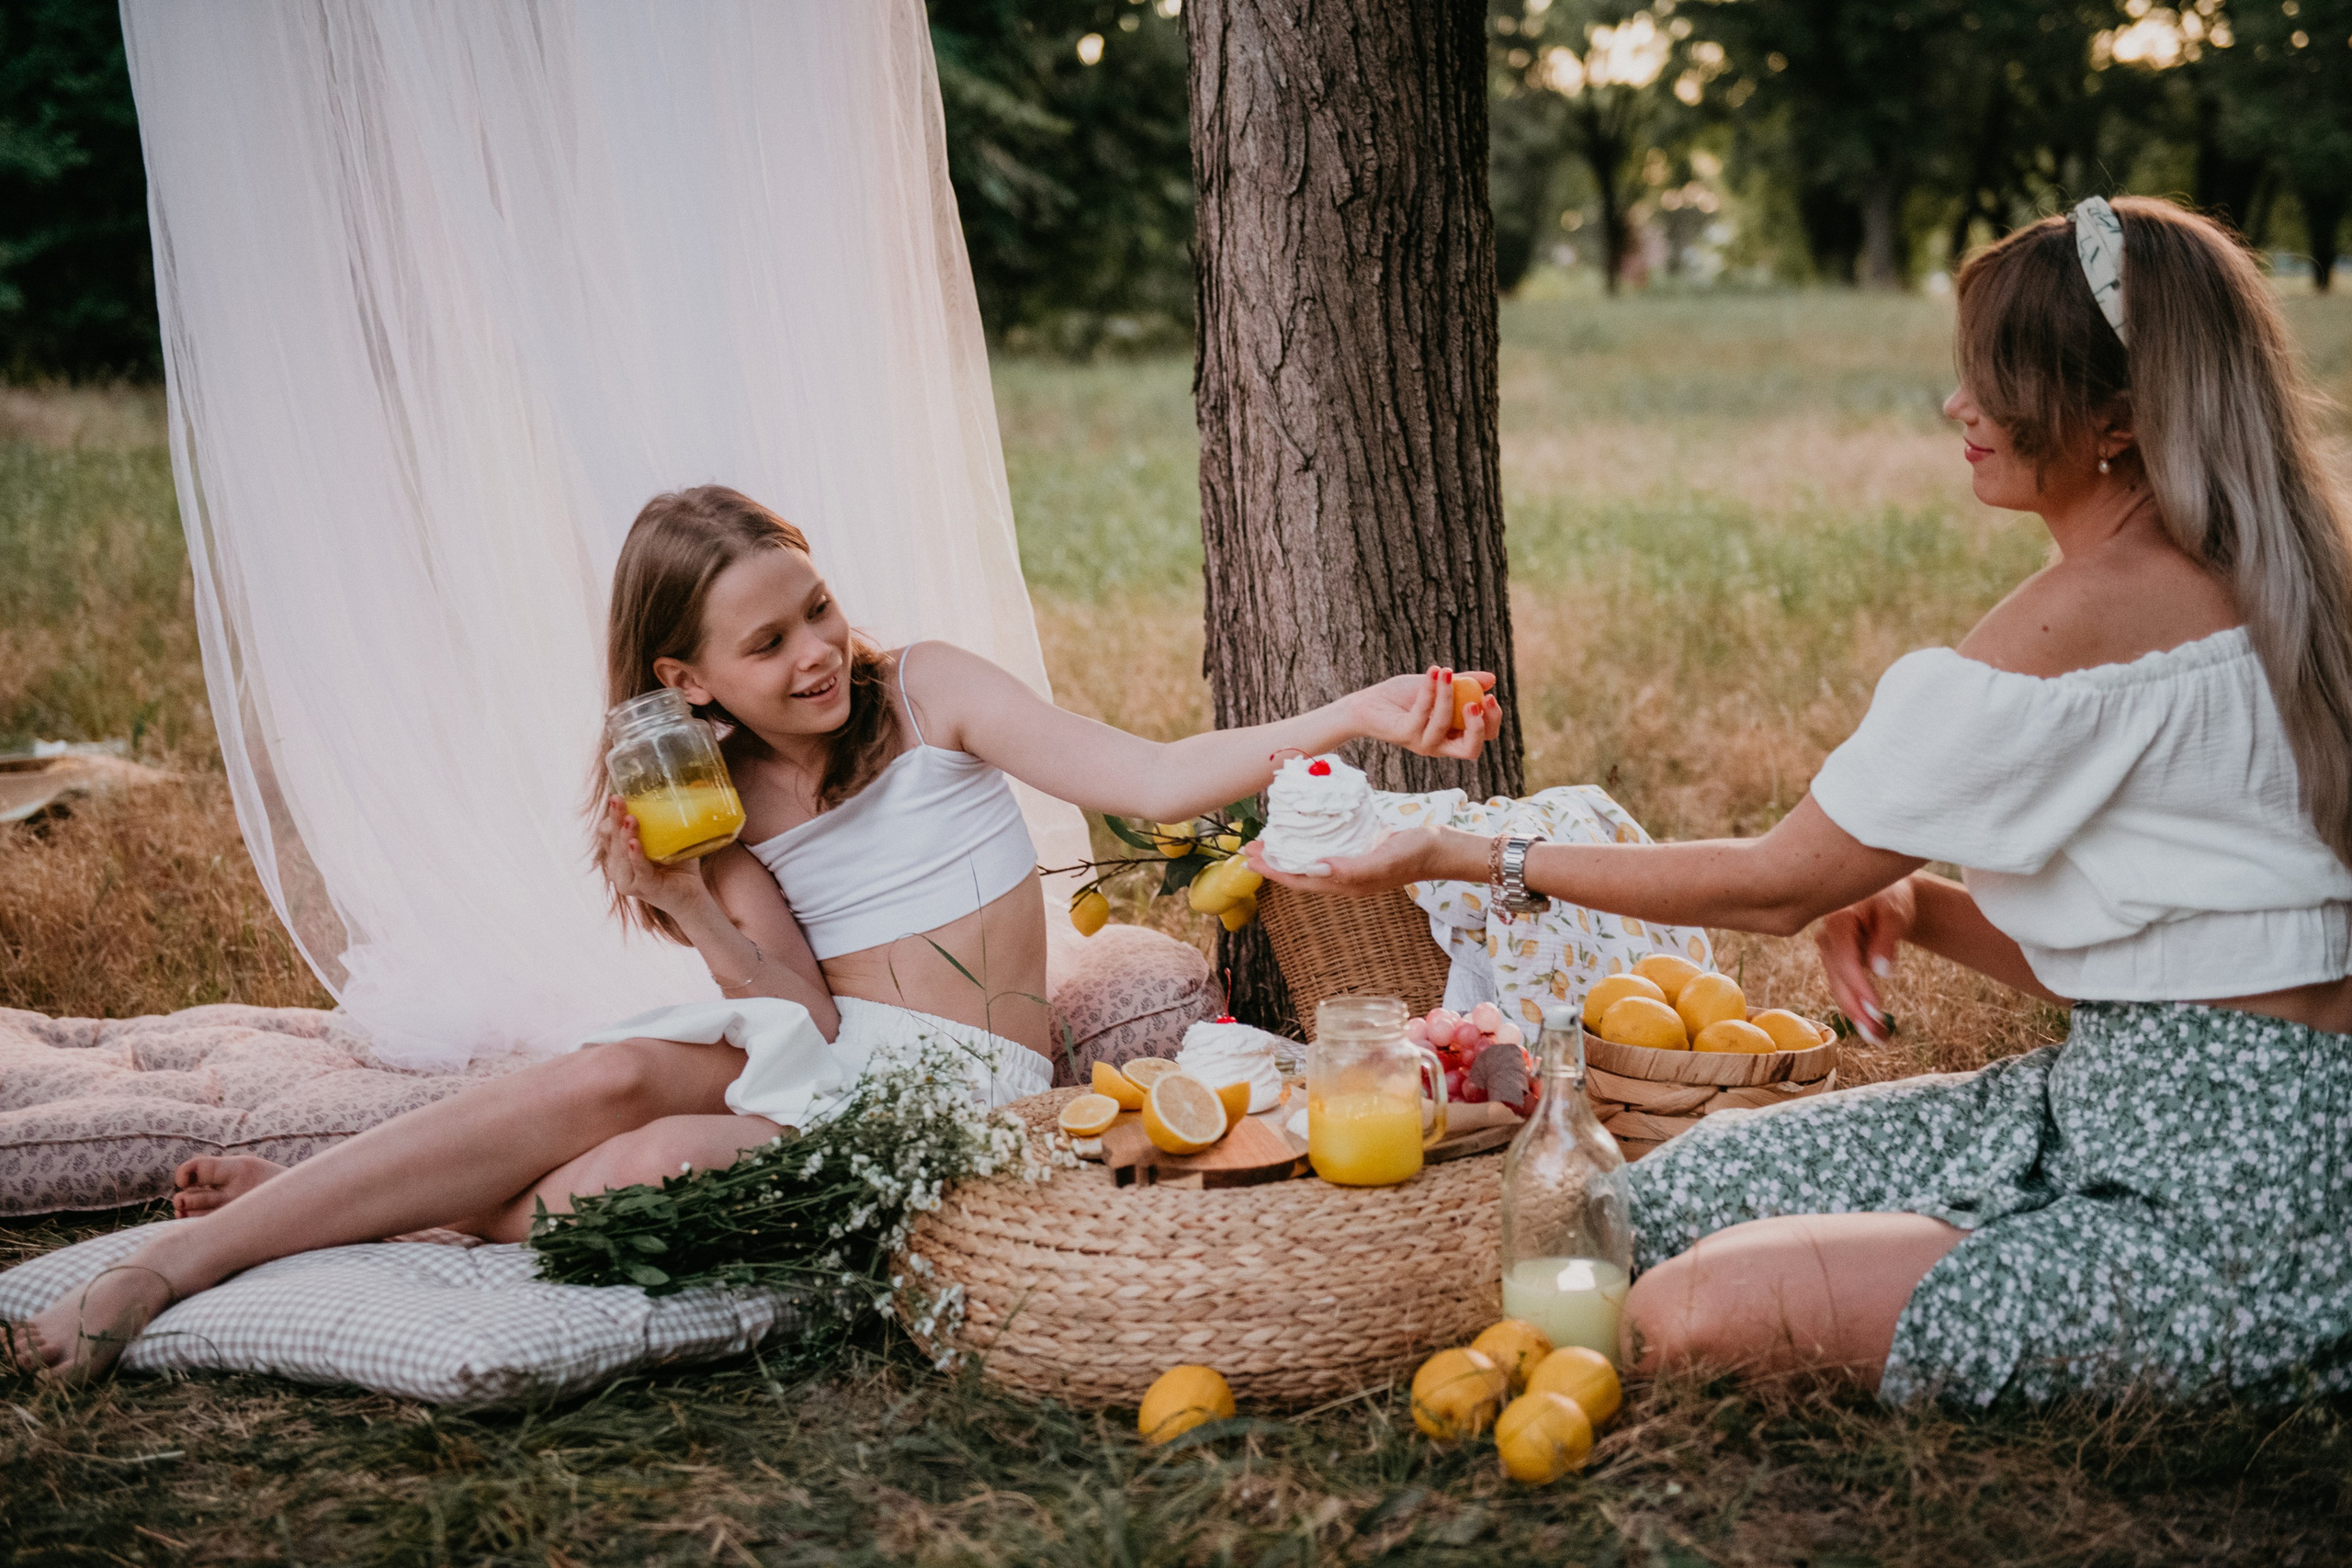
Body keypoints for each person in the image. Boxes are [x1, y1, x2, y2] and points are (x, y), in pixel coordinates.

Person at [6, 484, 1499, 1382]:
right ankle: (177, 1267)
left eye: (818, 611)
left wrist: (1359, 713)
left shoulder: (931, 692)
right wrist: (682, 901)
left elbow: (1158, 776)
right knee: (605, 1082)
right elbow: (800, 1012)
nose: (819, 655)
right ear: (689, 677)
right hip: (824, 1047)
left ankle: (389, 1206)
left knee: (636, 1173)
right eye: (769, 642)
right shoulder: (711, 798)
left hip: (952, 1086)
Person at [1250, 197, 2352, 1406]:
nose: (1958, 407)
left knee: (1681, 1313)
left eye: (1995, 384)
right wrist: (1919, 907)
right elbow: (2180, 973)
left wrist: (1456, 852)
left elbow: (1777, 885)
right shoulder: (2279, 592)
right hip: (2112, 1108)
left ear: (2118, 420)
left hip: (2232, 1215)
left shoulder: (2089, 620)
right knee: (1636, 1209)